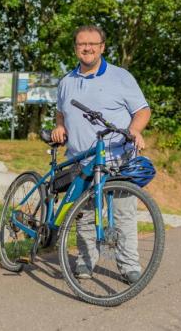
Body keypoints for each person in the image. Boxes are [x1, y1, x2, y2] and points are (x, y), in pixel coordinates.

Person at [51, 24, 151, 284]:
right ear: (76, 49)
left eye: (92, 44)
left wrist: (134, 131)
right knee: (84, 215)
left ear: (102, 47)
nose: (87, 48)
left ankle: (129, 266)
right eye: (82, 44)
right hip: (82, 161)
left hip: (118, 159)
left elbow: (142, 111)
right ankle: (85, 262)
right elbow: (61, 111)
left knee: (123, 214)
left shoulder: (121, 77)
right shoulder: (66, 82)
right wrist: (60, 125)